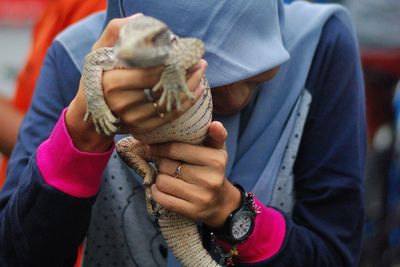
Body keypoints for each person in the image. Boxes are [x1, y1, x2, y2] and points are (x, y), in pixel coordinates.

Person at [0, 0, 366, 266]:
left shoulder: (321, 42)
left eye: (252, 72)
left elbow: (336, 252)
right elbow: (15, 254)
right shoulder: (76, 57)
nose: (232, 95)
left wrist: (231, 211)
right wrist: (85, 132)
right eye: (211, 77)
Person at [0, 0, 106, 186]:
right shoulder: (58, 7)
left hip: (57, 204)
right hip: (18, 193)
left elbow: (68, 152)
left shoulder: (100, 11)